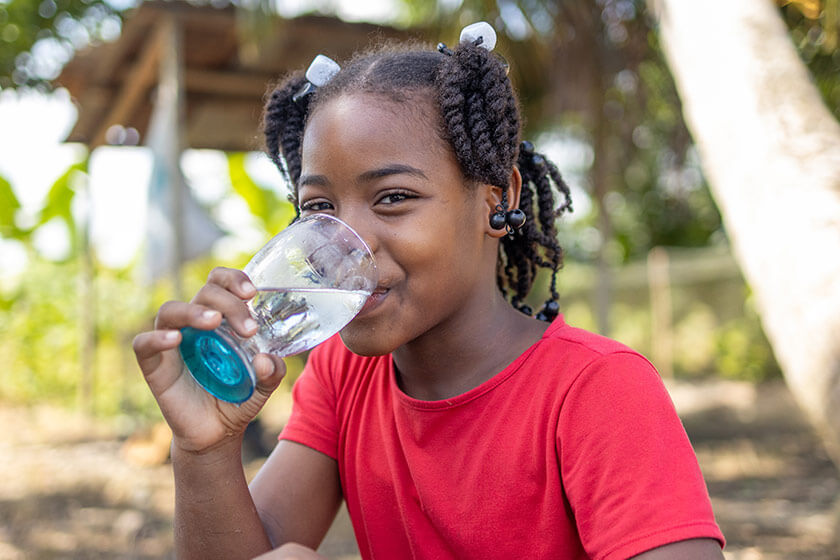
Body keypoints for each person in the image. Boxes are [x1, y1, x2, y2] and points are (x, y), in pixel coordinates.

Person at [133, 22, 725, 560]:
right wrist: (204, 450)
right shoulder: (345, 373)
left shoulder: (595, 392)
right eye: (319, 209)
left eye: (393, 198)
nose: (345, 247)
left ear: (498, 199)